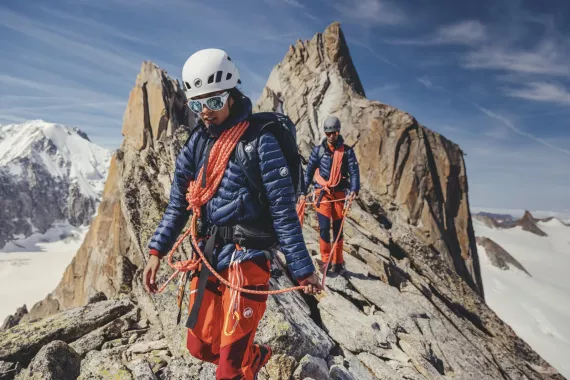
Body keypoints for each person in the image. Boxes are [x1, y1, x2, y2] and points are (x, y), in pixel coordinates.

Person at [142, 48, 322, 380]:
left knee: (229, 370)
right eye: (197, 105)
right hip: (210, 255)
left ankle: (241, 366)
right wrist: (157, 251)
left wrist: (302, 269)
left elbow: (283, 211)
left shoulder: (260, 142)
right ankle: (254, 359)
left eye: (212, 102)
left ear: (231, 94)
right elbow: (179, 204)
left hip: (248, 259)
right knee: (201, 348)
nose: (205, 113)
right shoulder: (197, 143)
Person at [300, 115, 360, 275]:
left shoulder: (347, 152)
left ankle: (338, 262)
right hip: (323, 194)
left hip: (340, 193)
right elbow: (309, 172)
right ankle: (326, 262)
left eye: (334, 132)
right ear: (325, 134)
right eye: (329, 133)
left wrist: (354, 189)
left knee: (338, 230)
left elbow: (354, 171)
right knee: (324, 229)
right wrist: (302, 191)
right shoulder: (318, 151)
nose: (332, 135)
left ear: (338, 132)